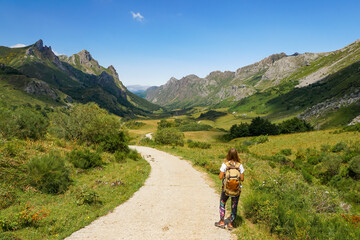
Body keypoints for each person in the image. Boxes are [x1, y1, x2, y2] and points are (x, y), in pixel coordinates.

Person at [215, 148, 244, 230]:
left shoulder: (225, 164)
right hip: (236, 190)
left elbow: (220, 177)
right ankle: (230, 224)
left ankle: (221, 222)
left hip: (226, 189)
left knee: (222, 203)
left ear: (228, 154)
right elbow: (242, 179)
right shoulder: (239, 165)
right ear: (237, 155)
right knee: (234, 206)